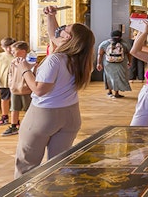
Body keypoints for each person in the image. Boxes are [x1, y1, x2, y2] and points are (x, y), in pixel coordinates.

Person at [13, 23, 93, 174]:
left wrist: (24, 70)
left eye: (64, 29)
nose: (60, 31)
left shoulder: (55, 59)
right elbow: (53, 36)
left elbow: (39, 90)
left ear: (68, 37)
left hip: (44, 115)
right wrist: (50, 17)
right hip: (71, 115)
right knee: (58, 166)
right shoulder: (83, 59)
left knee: (27, 165)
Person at [4, 41, 32, 137]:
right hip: (15, 89)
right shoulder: (13, 62)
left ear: (23, 51)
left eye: (14, 50)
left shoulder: (30, 62)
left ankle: (29, 125)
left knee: (28, 109)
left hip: (26, 90)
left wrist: (29, 85)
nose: (12, 52)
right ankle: (13, 126)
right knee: (14, 109)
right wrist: (11, 84)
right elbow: (10, 74)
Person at [96, 30, 131, 99]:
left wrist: (98, 63)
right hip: (121, 63)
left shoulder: (104, 43)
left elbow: (100, 54)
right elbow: (129, 54)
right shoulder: (125, 43)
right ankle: (116, 93)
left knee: (109, 77)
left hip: (108, 63)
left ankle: (110, 91)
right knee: (118, 78)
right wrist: (130, 62)